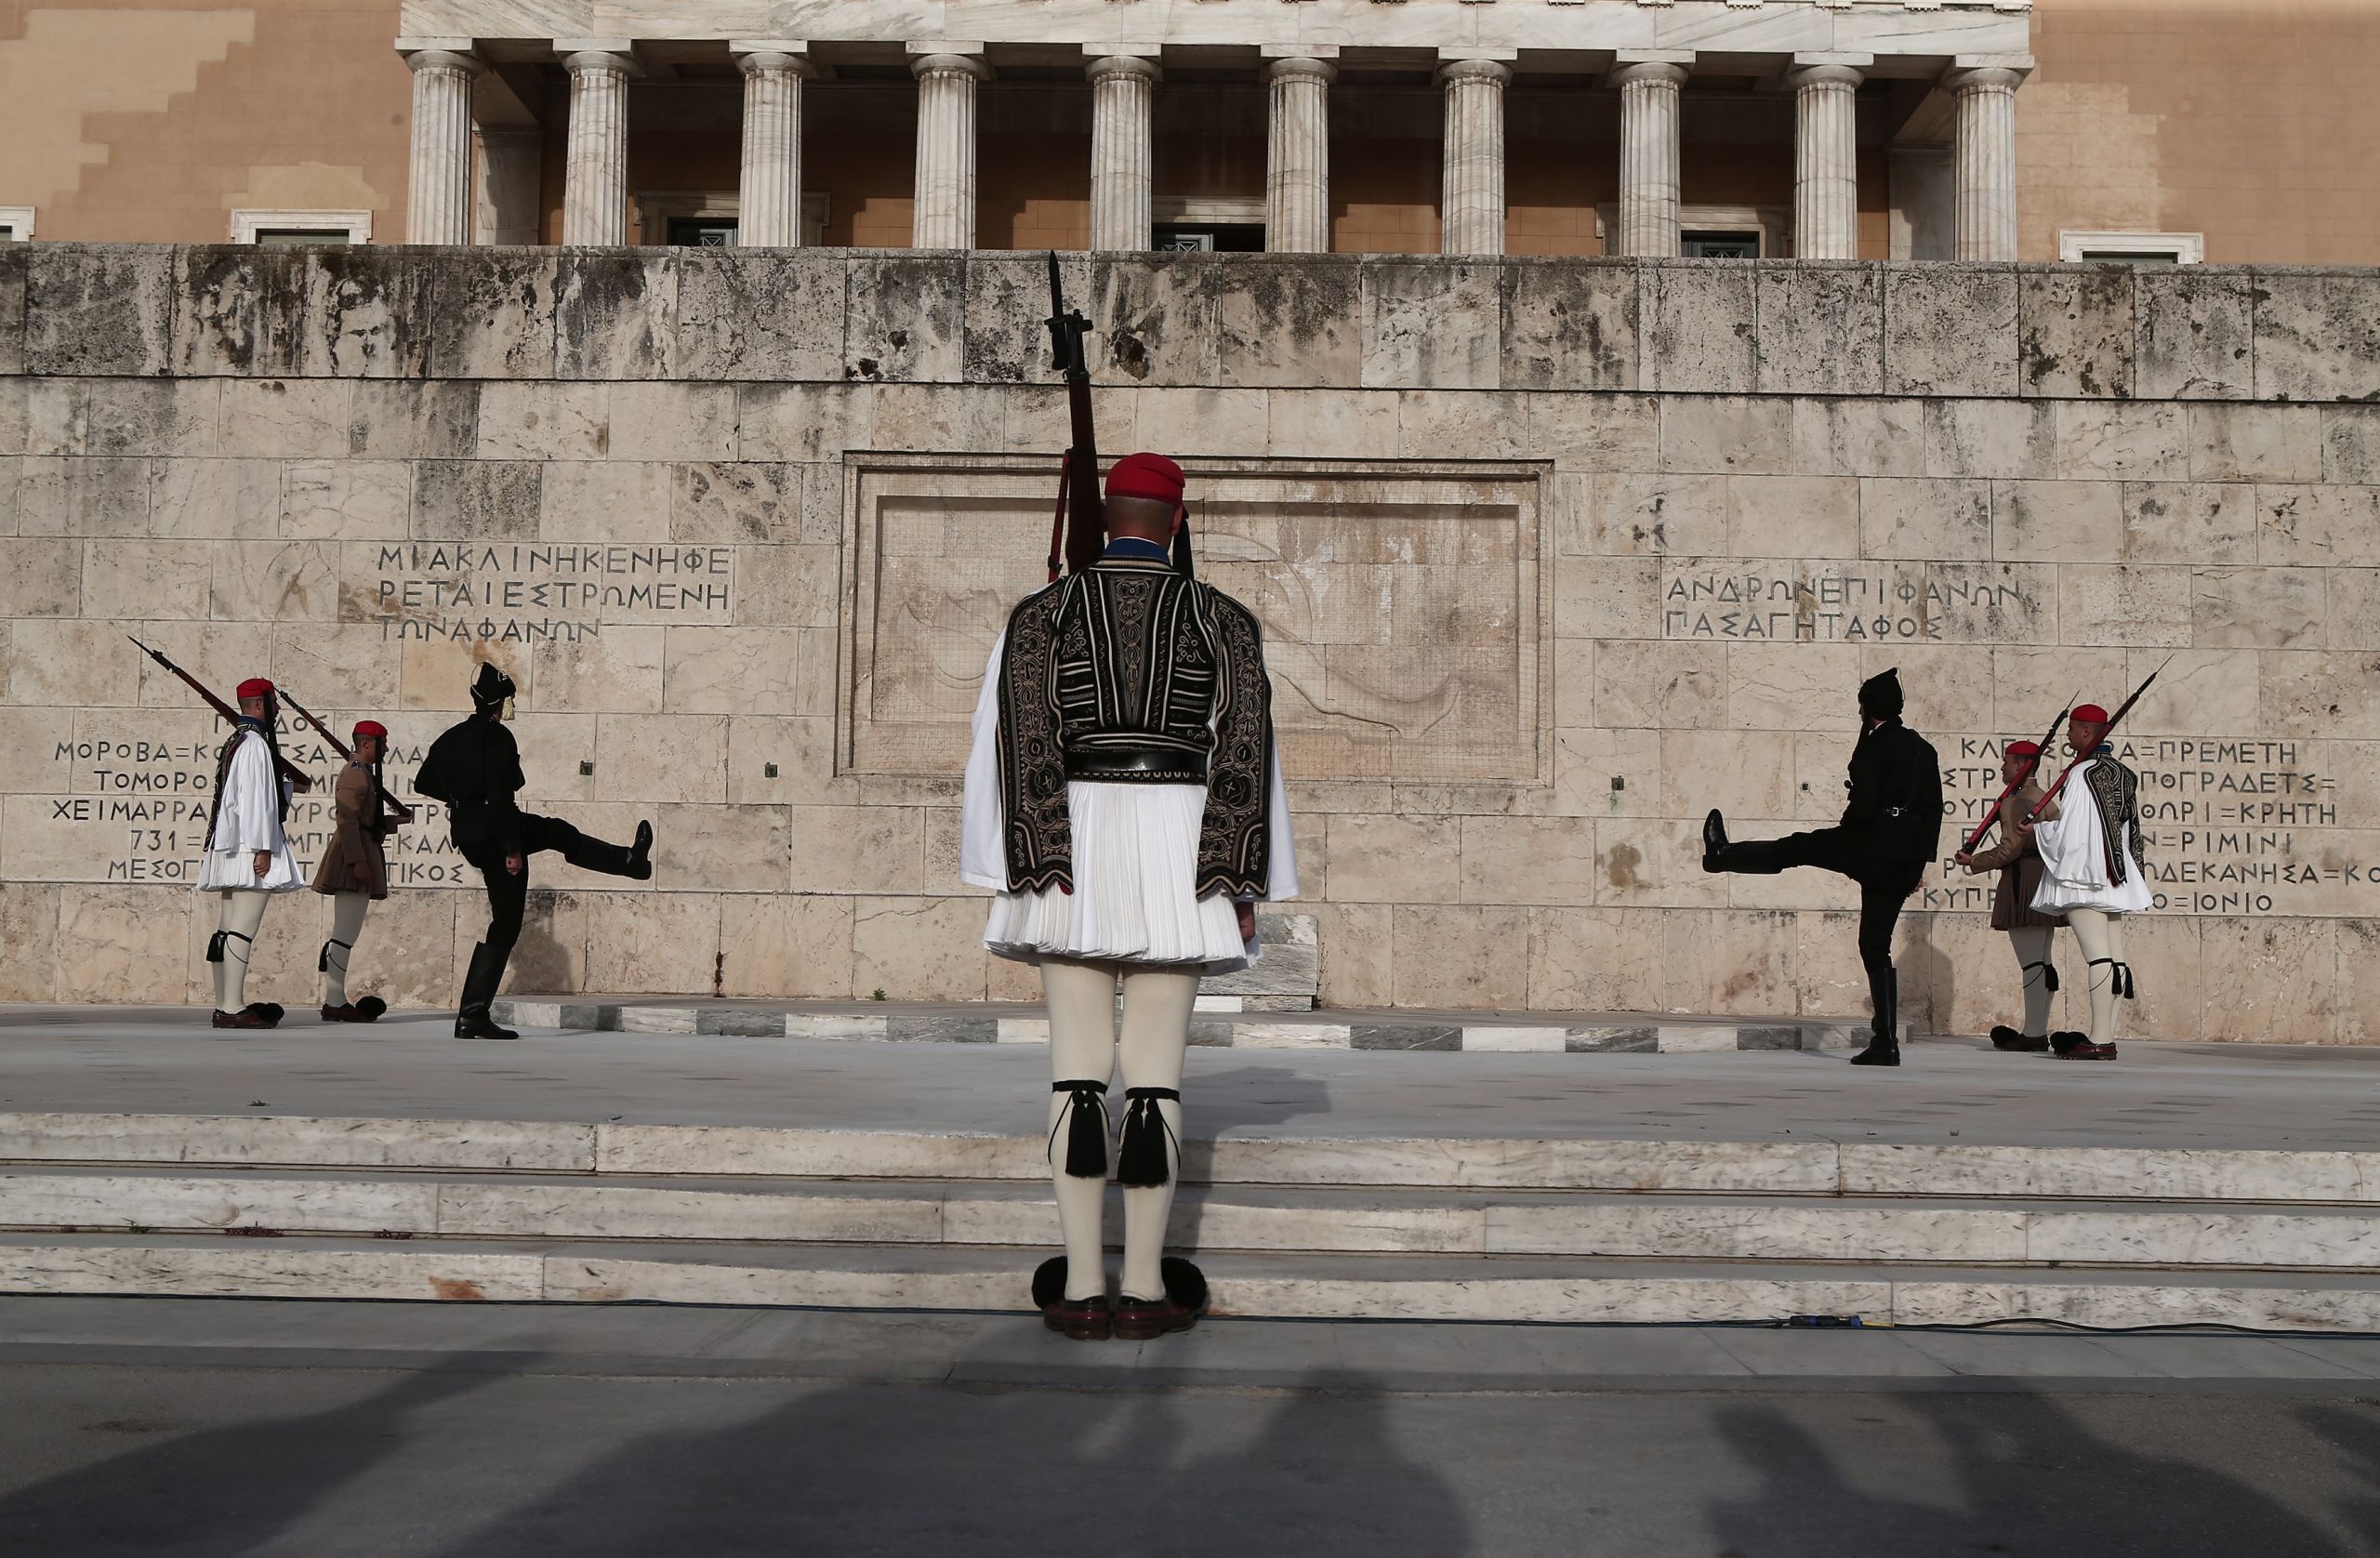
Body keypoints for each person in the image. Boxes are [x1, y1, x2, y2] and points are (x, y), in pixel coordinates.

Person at [959, 452, 1298, 1341]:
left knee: (1076, 1074)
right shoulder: (1225, 618)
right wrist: (1240, 876)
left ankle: (1079, 1288)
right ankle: (1145, 1289)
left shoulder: (1042, 613)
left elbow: (1012, 739)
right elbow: (1248, 748)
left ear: (1105, 520)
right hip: (1182, 846)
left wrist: (1026, 858)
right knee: (1156, 1080)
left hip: (1068, 842)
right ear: (1177, 522)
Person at [1701, 667, 1943, 1068]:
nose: (1859, 713)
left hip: (1871, 844)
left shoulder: (1876, 744)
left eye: (1861, 707)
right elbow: (1934, 811)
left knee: (1797, 847)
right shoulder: (1923, 748)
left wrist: (1847, 833)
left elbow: (1863, 804)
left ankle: (1722, 856)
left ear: (1869, 708)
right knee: (1875, 947)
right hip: (1906, 857)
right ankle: (1885, 1043)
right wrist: (1919, 864)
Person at [415, 663, 654, 1041]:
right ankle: (472, 1015)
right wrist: (512, 849)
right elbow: (501, 797)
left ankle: (629, 861)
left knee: (555, 832)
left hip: (469, 832)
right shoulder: (497, 737)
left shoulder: (451, 737)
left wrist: (462, 800)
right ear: (502, 702)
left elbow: (423, 782)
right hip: (497, 833)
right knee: (507, 921)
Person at [2027, 705, 2149, 1060]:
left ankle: (2100, 1039)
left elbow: (2073, 831)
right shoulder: (2123, 772)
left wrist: (2036, 831)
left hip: (2086, 875)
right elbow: (2131, 830)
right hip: (2116, 874)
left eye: (2071, 729)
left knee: (2099, 959)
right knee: (2115, 959)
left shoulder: (2082, 773)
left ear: (2085, 731)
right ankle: (2106, 1034)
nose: (2067, 735)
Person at [198, 678, 311, 1028]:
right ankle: (233, 1007)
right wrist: (263, 848)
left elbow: (252, 794)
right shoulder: (256, 745)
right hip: (250, 847)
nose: (278, 709)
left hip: (231, 845)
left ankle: (223, 1005)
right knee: (241, 930)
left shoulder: (238, 741)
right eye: (274, 702)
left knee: (226, 929)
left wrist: (288, 788)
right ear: (259, 704)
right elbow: (255, 801)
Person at [1954, 740, 2068, 1052]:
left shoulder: (2016, 802)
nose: (2002, 767)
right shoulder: (2045, 798)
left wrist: (1973, 861)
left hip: (2023, 881)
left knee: (2032, 963)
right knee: (2043, 961)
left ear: (2020, 766)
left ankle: (2033, 1033)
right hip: (2044, 879)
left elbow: (2009, 849)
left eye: (2007, 762)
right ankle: (2037, 1029)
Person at [311, 719, 413, 1023]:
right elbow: (347, 820)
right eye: (383, 743)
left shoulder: (363, 773)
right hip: (353, 853)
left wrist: (396, 821)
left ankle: (335, 999)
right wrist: (358, 861)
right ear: (367, 743)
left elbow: (367, 819)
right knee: (345, 932)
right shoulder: (356, 774)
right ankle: (334, 1000)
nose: (386, 749)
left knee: (347, 931)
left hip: (362, 847)